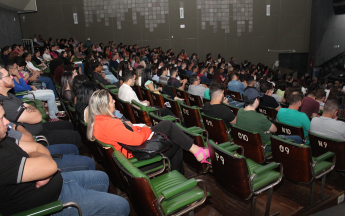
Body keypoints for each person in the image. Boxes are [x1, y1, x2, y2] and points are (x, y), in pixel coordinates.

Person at [0, 103, 130, 215]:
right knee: (122, 205)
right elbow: (47, 164)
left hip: (56, 183)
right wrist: (41, 163)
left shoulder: (3, 139)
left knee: (101, 177)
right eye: (1, 118)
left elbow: (38, 148)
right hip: (48, 204)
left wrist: (41, 164)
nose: (7, 122)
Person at [87, 89, 211, 173]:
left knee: (168, 125)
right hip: (136, 159)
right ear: (103, 106)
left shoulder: (99, 120)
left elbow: (127, 131)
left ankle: (196, 152)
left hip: (133, 149)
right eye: (111, 100)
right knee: (175, 142)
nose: (114, 101)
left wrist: (140, 129)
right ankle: (191, 162)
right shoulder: (109, 124)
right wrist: (146, 130)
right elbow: (135, 140)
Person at [0, 67, 81, 147]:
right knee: (75, 136)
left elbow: (27, 105)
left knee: (68, 125)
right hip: (37, 136)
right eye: (8, 75)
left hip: (40, 127)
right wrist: (30, 109)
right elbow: (37, 117)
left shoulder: (9, 95)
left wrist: (29, 108)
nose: (11, 77)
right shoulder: (5, 104)